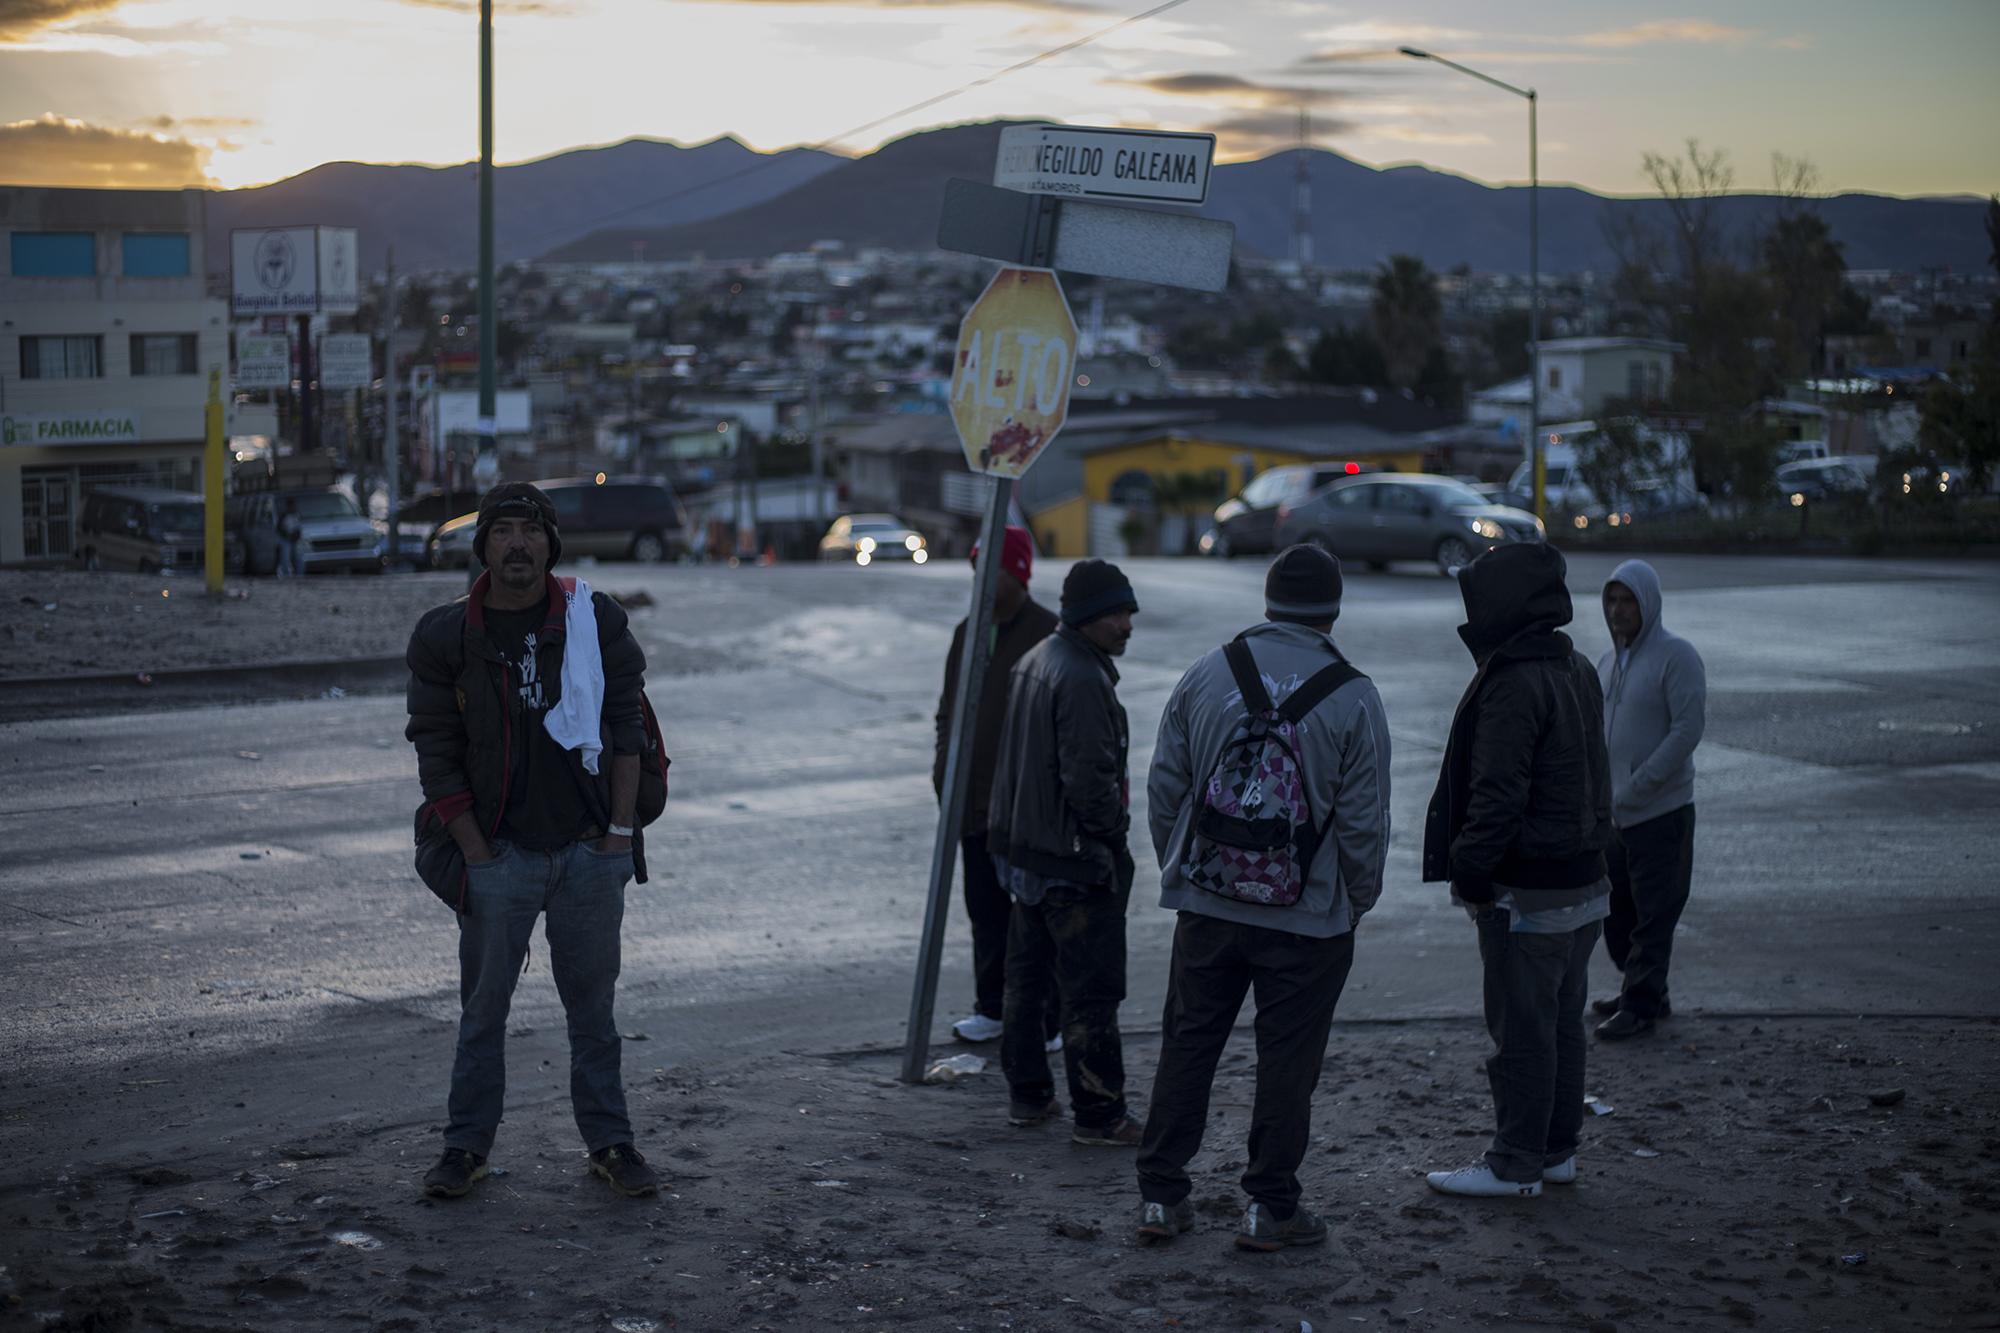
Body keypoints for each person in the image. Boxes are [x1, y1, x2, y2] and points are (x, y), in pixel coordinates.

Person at [405, 482, 661, 1200]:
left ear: (551, 543)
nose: (517, 544)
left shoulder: (596, 620)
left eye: (530, 530)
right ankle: (465, 1148)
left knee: (594, 1013)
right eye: (503, 531)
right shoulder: (445, 635)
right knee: (482, 1013)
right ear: (482, 546)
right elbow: (436, 752)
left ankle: (611, 1141)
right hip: (498, 854)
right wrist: (476, 855)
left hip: (587, 851)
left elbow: (625, 731)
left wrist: (615, 838)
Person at [1136, 545, 1390, 1251]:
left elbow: (1164, 789)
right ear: (1333, 608)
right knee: (1287, 1060)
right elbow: (1366, 821)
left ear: (1269, 598)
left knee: (1189, 1044)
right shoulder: (1354, 694)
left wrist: (1189, 870)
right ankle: (1270, 1207)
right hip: (1306, 919)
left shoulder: (1206, 673)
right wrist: (1354, 900)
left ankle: (1161, 1195)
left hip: (1208, 905)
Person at [1421, 543, 1612, 1199]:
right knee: (1562, 1024)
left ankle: (1515, 1161)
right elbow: (1596, 777)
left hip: (1527, 894)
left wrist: (1471, 872)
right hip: (1584, 889)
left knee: (1521, 1033)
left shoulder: (1512, 681)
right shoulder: (1577, 666)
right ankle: (1556, 1151)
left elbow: (1495, 795)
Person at [985, 558, 1145, 1147]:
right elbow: (1089, 782)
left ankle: (1029, 1098)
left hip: (1026, 854)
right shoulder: (1079, 677)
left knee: (1026, 985)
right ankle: (1100, 1116)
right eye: (1116, 614)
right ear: (1085, 617)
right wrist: (1113, 839)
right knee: (1091, 994)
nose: (1127, 624)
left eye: (1129, 611)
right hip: (1069, 861)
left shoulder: (1039, 660)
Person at [932, 525, 1061, 1050]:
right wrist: (944, 771)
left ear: (1018, 573)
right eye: (976, 568)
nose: (980, 579)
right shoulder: (968, 632)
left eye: (990, 569)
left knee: (1032, 917)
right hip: (970, 804)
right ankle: (993, 1008)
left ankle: (1045, 1018)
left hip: (1023, 807)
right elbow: (948, 709)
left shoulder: (1048, 633)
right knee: (983, 909)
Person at [1593, 559, 1706, 1041]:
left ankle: (1641, 1005)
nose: (1619, 611)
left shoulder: (1676, 656)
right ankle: (1644, 990)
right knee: (1618, 916)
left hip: (1661, 813)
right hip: (1617, 818)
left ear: (1649, 603)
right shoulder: (1609, 661)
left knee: (1654, 916)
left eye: (1628, 601)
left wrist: (1639, 785)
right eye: (1612, 601)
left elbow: (1686, 731)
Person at [276, 498, 302, 577]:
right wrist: (286, 535)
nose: (292, 507)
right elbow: (279, 528)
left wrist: (296, 537)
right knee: (285, 558)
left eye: (293, 505)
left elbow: (299, 528)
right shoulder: (283, 515)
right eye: (291, 506)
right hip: (285, 539)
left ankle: (299, 574)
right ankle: (286, 574)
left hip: (295, 539)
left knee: (298, 558)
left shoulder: (297, 515)